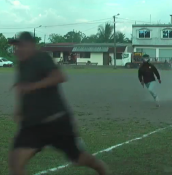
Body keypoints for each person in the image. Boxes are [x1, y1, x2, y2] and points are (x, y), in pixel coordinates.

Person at [8, 32, 108, 175]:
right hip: (32, 124)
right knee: (15, 163)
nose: (17, 50)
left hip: (56, 121)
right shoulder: (22, 65)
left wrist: (33, 86)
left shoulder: (41, 58)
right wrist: (19, 109)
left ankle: (100, 168)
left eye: (21, 46)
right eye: (16, 46)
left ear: (31, 45)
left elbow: (59, 76)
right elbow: (21, 87)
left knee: (78, 159)